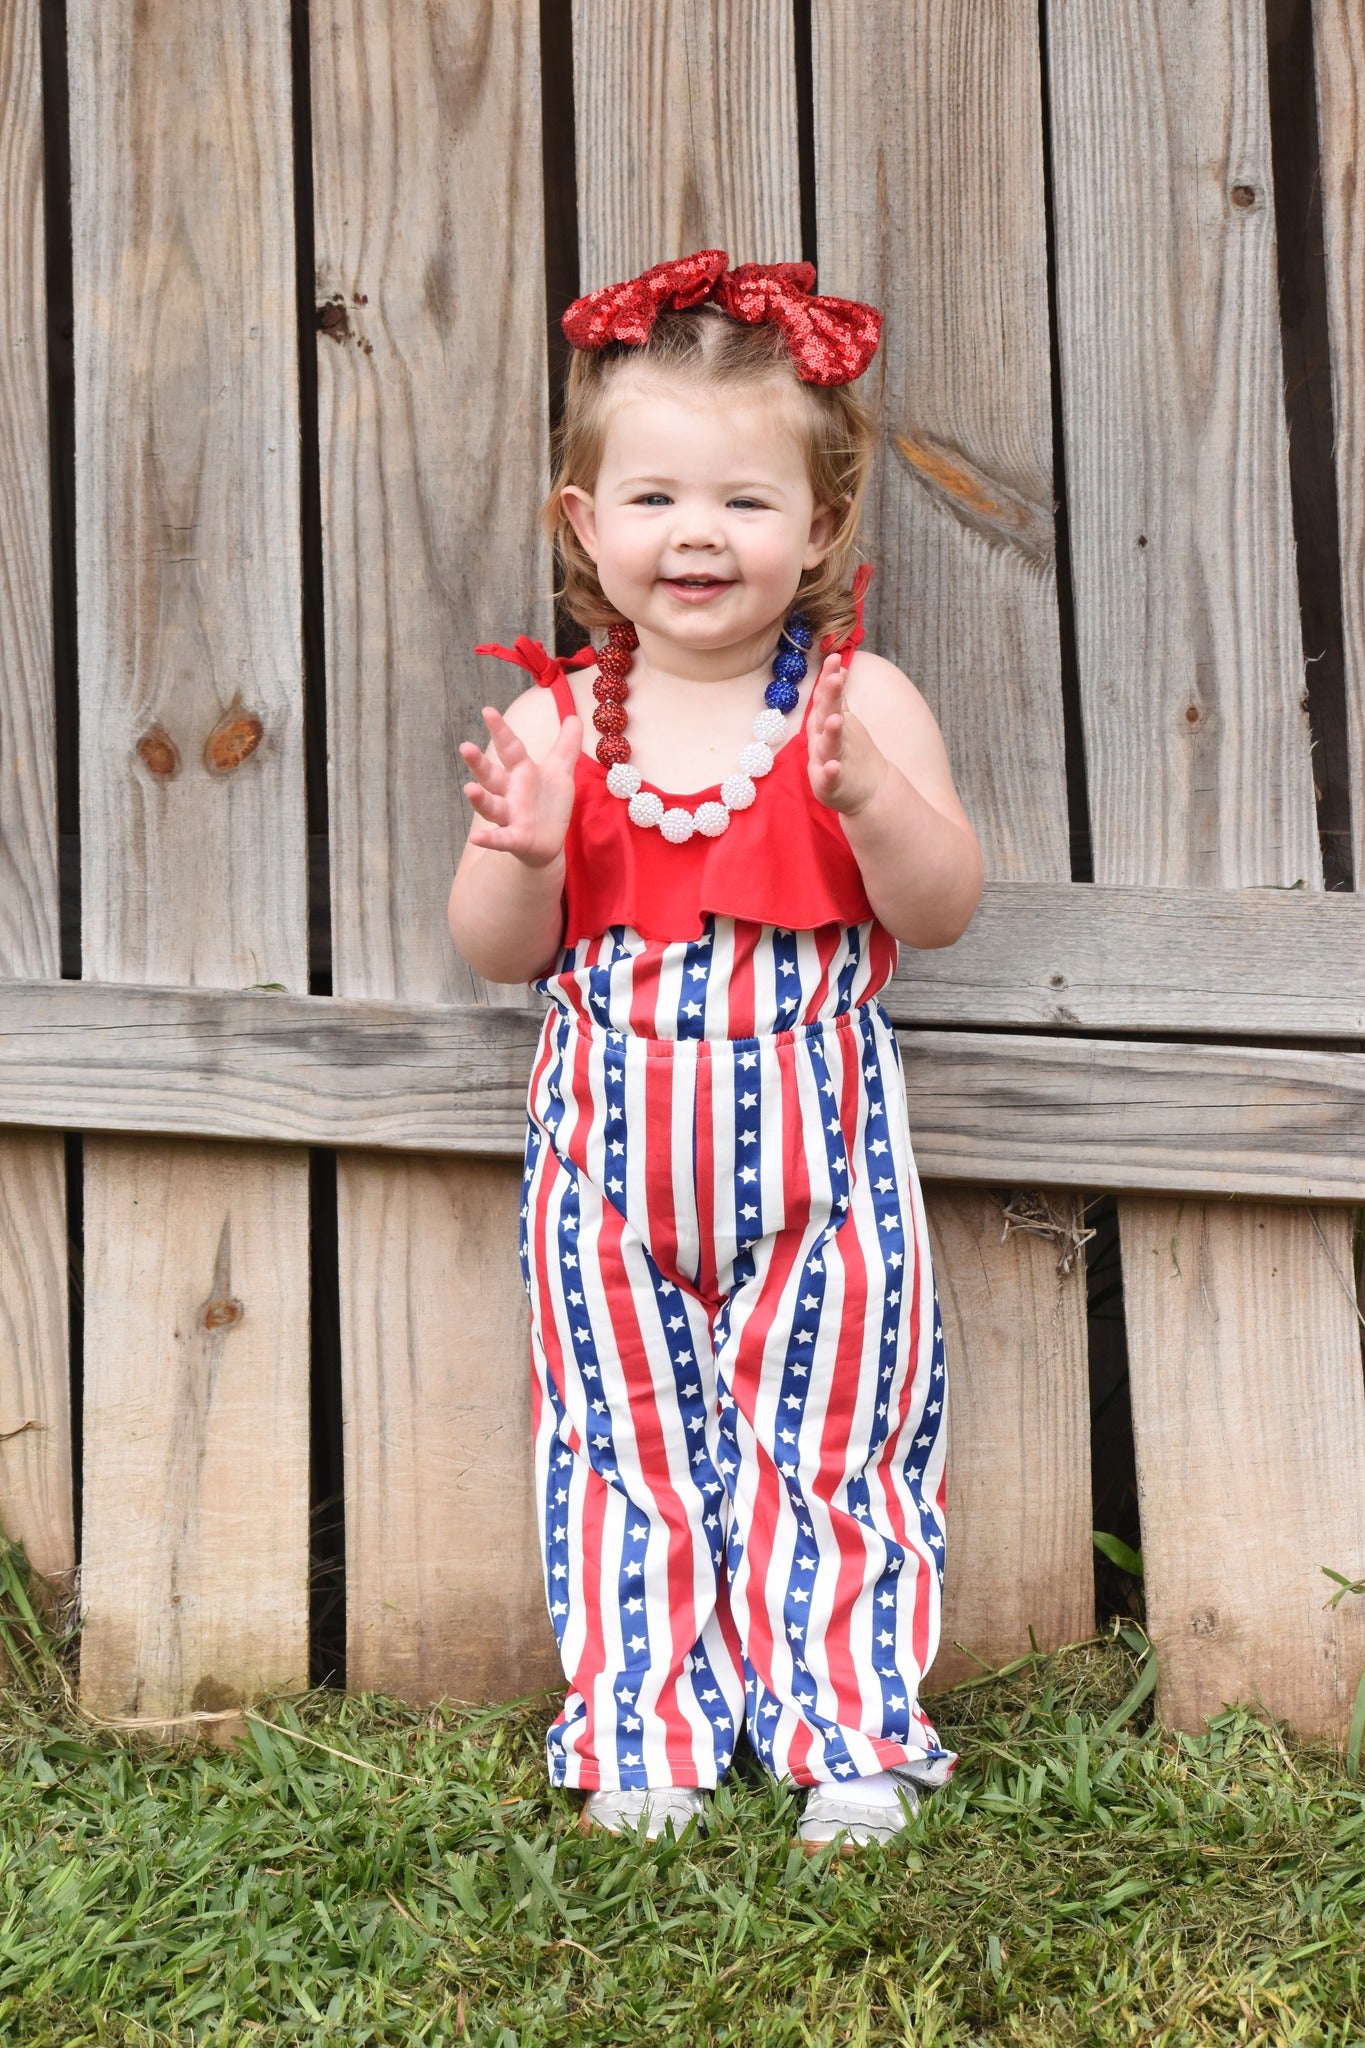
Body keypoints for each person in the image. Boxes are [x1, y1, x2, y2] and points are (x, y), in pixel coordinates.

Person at [448, 249, 983, 1852]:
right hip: (604, 1161)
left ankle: (846, 1731)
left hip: (820, 1154)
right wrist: (525, 858)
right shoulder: (559, 724)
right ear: (581, 522)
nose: (696, 534)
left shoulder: (855, 697)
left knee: (838, 1441)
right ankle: (646, 1729)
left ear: (817, 531)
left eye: (746, 504)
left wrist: (874, 805)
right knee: (623, 1445)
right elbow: (493, 955)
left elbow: (943, 909)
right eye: (656, 498)